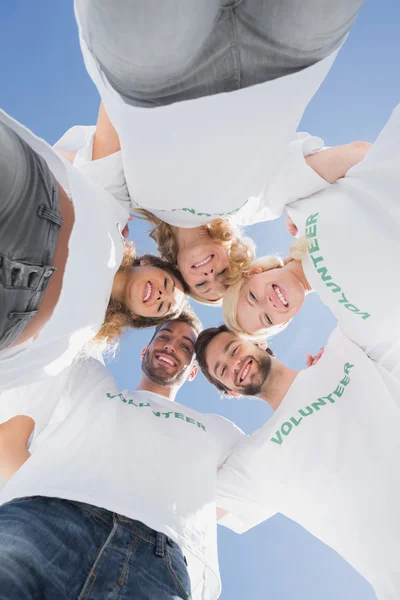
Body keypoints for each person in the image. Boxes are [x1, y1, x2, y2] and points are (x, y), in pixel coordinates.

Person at [72, 0, 364, 300]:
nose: (210, 275)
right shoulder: (256, 205)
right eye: (223, 275)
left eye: (200, 285)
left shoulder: (131, 200)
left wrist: (129, 75)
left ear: (177, 272)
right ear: (232, 258)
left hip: (157, 76)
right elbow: (351, 156)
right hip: (283, 64)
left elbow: (108, 130)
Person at [0, 313, 249, 600]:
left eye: (185, 346)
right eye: (164, 336)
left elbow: (273, 473)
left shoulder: (217, 429)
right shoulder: (92, 380)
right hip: (46, 522)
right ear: (144, 350)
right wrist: (49, 488)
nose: (170, 346)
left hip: (156, 558)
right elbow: (8, 440)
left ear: (193, 371)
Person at [195, 324, 400, 599]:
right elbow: (185, 506)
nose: (234, 364)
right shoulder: (255, 459)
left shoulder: (341, 349)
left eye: (234, 349)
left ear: (259, 340)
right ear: (230, 391)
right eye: (222, 370)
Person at [0, 110, 186, 391]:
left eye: (163, 306)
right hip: (27, 205)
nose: (161, 294)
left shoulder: (86, 334)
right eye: (167, 284)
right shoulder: (114, 214)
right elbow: (110, 120)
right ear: (149, 262)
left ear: (138, 317)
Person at [222, 103, 400, 378]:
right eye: (267, 318)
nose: (269, 303)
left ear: (253, 272)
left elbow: (359, 153)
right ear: (283, 324)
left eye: (253, 296)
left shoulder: (296, 205)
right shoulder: (356, 330)